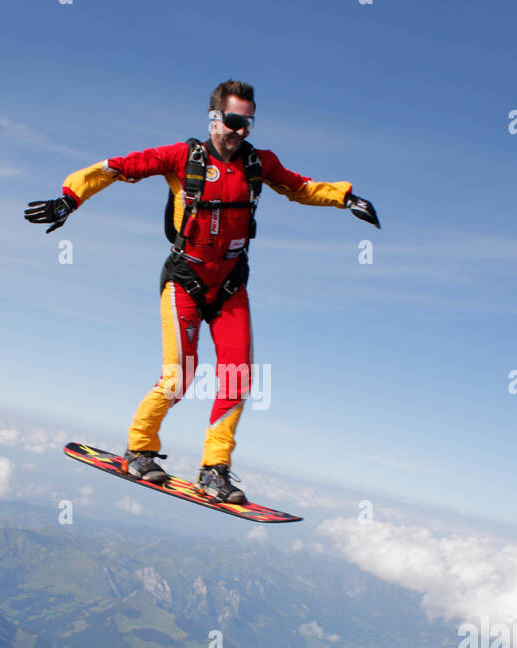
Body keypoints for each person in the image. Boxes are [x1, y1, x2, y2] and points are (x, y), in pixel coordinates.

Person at [25, 80, 379, 504]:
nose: (241, 131)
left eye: (248, 123)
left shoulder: (258, 163)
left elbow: (299, 187)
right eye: (233, 121)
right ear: (214, 119)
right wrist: (69, 199)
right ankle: (140, 449)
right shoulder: (182, 157)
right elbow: (116, 168)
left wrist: (346, 198)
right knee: (178, 378)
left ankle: (215, 469)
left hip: (231, 286)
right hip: (186, 281)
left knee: (238, 377)